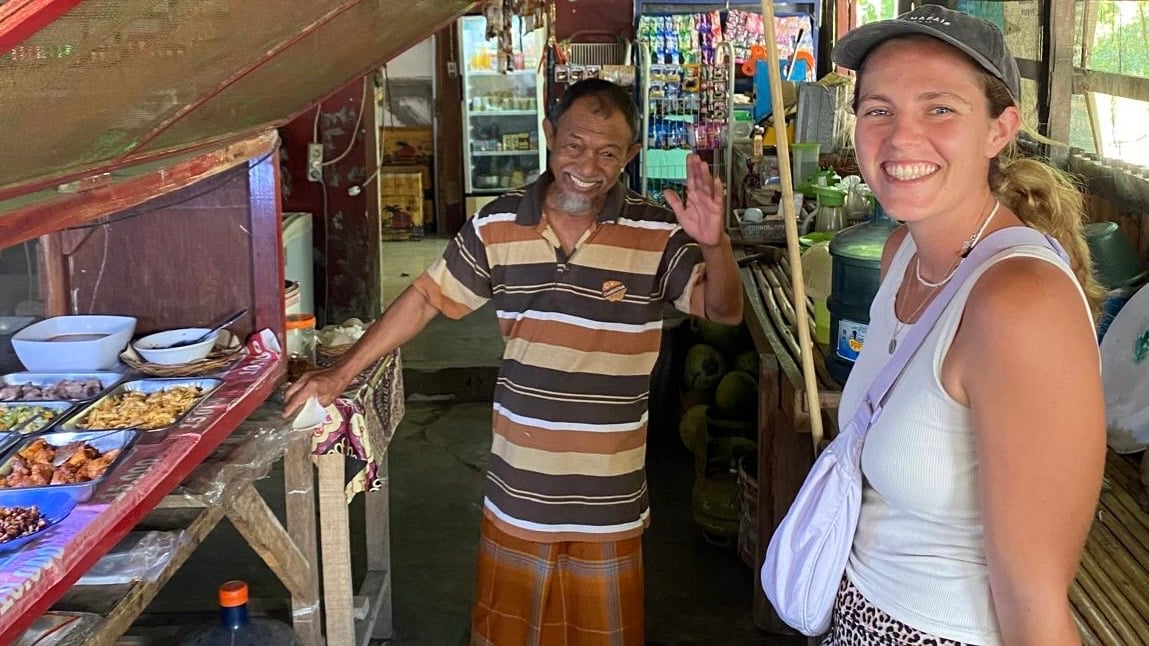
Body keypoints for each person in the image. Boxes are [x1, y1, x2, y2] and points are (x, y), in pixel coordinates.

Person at [284, 78, 743, 645]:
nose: (588, 166)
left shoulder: (657, 233)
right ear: (549, 136)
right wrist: (338, 374)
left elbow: (722, 311)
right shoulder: (497, 224)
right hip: (520, 490)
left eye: (607, 152)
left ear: (629, 156)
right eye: (574, 145)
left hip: (609, 497)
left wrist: (716, 245)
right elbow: (427, 296)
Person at [822, 6, 1106, 645]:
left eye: (940, 108)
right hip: (854, 616)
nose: (900, 138)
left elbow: (1037, 603)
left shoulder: (1018, 302)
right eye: (878, 110)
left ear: (999, 130)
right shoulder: (902, 256)